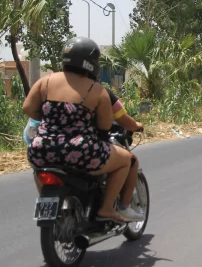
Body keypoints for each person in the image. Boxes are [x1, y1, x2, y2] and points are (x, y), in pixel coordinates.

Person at [22, 36, 142, 223]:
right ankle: (107, 208)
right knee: (126, 160)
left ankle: (49, 200)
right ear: (92, 63)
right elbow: (104, 126)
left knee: (41, 168)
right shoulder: (97, 90)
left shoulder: (45, 81)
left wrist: (50, 120)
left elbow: (28, 108)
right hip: (80, 152)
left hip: (41, 149)